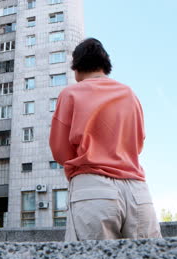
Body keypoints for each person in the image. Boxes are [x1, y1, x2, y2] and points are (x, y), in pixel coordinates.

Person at [49, 38, 162, 241]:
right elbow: (138, 143)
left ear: (76, 67)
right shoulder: (129, 93)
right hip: (137, 191)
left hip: (92, 189)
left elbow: (60, 151)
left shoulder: (70, 93)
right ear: (105, 65)